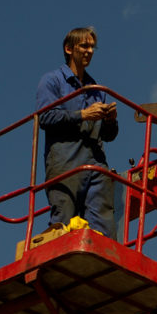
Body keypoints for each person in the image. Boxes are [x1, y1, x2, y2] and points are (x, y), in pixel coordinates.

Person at [36, 27, 119, 235]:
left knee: (103, 226)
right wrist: (83, 114)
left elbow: (108, 136)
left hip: (95, 164)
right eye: (84, 46)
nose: (89, 51)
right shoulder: (52, 80)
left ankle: (103, 262)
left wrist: (110, 120)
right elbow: (45, 117)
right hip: (65, 163)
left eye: (92, 47)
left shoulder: (95, 90)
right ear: (69, 49)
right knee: (64, 223)